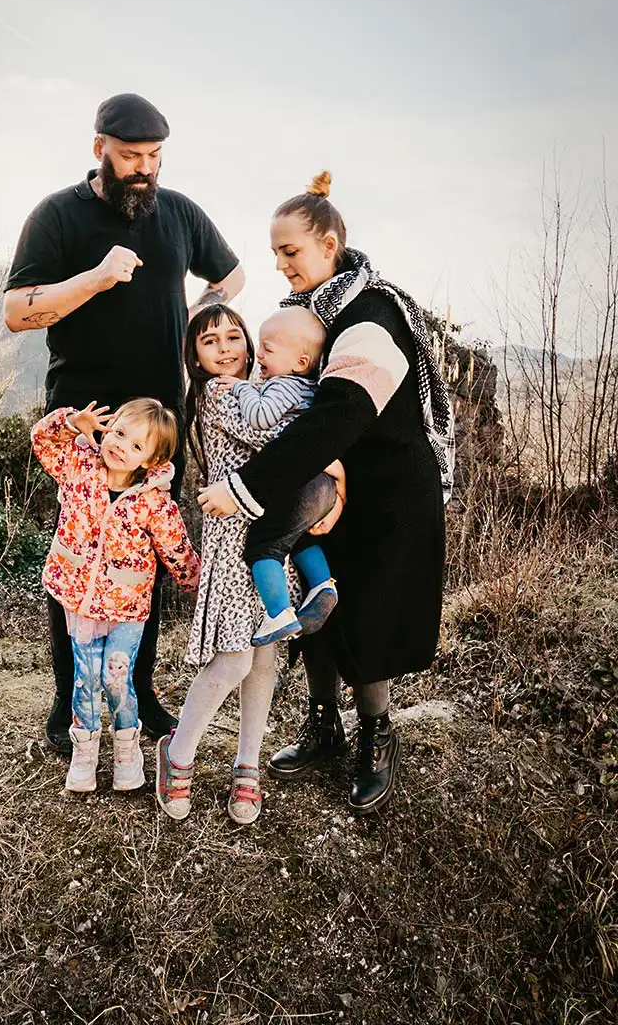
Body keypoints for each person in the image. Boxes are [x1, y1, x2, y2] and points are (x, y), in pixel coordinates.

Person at [198, 171, 453, 815]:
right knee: (318, 609)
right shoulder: (320, 313)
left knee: (367, 617)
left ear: (330, 244)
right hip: (329, 481)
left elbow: (336, 416)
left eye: (291, 251)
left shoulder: (370, 314)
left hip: (390, 490)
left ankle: (375, 737)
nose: (280, 265)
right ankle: (323, 727)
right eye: (276, 252)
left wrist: (247, 485)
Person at [4, 93, 243, 749]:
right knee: (80, 554)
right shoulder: (57, 215)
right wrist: (95, 279)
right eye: (132, 156)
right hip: (87, 430)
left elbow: (233, 275)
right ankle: (68, 703)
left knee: (150, 558)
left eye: (154, 158)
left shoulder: (181, 213)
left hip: (158, 430)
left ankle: (138, 693)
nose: (144, 169)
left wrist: (200, 317)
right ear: (99, 149)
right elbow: (17, 312)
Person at [154, 305, 340, 825]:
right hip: (235, 539)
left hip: (271, 532)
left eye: (234, 336)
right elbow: (276, 443)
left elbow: (290, 440)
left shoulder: (263, 387)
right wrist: (332, 455)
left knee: (264, 654)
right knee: (235, 656)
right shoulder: (218, 394)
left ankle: (247, 763)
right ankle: (179, 751)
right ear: (195, 355)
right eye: (210, 341)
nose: (226, 348)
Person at [31, 397, 201, 794]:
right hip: (79, 600)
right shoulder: (78, 465)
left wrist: (201, 589)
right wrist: (73, 421)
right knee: (85, 678)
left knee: (116, 677)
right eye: (120, 433)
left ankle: (127, 747)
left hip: (126, 606)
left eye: (136, 445)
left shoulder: (153, 501)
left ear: (149, 460)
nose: (121, 446)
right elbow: (42, 440)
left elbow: (177, 550)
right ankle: (85, 750)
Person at [219, 306, 344, 645]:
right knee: (299, 535)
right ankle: (321, 585)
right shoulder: (311, 389)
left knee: (264, 545)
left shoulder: (284, 385)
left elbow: (260, 417)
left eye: (268, 349)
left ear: (300, 362)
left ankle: (278, 615)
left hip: (300, 479)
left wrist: (241, 388)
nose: (258, 354)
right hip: (325, 485)